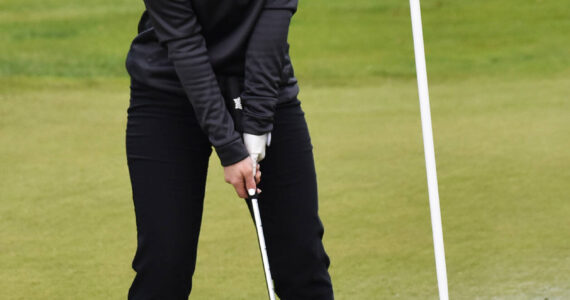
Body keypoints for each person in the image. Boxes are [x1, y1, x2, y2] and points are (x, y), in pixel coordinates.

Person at [124, 0, 334, 299]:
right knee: (164, 267)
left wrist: (258, 120)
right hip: (168, 93)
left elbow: (273, 21)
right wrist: (229, 147)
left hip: (263, 83)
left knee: (302, 263)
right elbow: (185, 45)